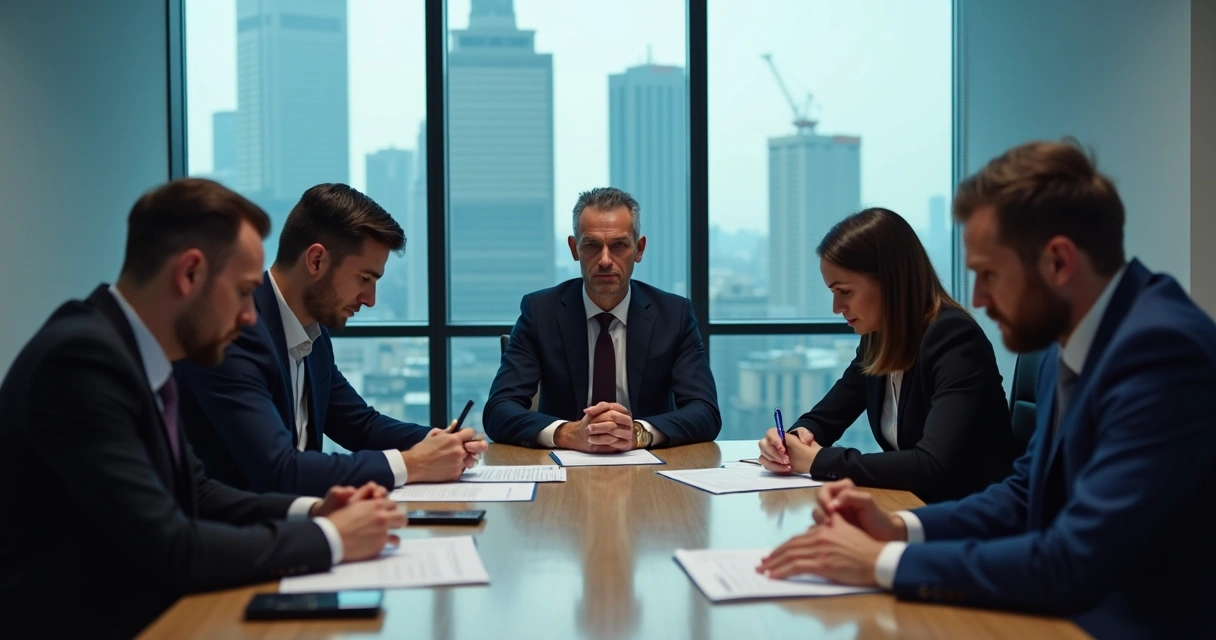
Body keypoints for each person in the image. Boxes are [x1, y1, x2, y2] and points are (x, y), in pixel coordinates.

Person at [757, 140, 1216, 638]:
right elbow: (1024, 495)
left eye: (989, 275)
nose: (977, 299)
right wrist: (903, 528)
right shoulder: (1074, 342)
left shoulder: (1160, 351)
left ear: (1058, 262)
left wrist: (884, 562)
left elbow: (1073, 563)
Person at [0, 179, 406, 638]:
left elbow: (198, 492)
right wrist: (332, 539)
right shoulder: (81, 362)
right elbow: (172, 546)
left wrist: (314, 512)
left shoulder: (129, 352)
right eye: (241, 292)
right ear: (189, 274)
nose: (251, 317)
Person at [175, 184, 485, 497]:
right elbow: (279, 470)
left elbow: (358, 425)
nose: (370, 299)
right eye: (364, 279)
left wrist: (437, 441)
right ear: (316, 261)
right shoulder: (233, 332)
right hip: (238, 534)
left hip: (297, 521)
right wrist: (412, 464)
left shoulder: (314, 333)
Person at [756, 208, 1018, 503]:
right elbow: (827, 416)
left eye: (845, 292)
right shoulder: (878, 338)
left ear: (891, 282)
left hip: (971, 520)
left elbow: (931, 464)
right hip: (913, 506)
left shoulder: (953, 338)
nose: (836, 307)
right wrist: (792, 440)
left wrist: (819, 461)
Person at [484, 187, 720, 451]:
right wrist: (566, 433)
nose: (606, 260)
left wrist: (638, 433)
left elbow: (705, 412)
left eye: (619, 245)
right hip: (563, 470)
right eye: (592, 245)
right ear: (575, 249)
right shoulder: (540, 313)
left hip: (649, 470)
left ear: (639, 249)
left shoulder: (673, 315)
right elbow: (498, 411)